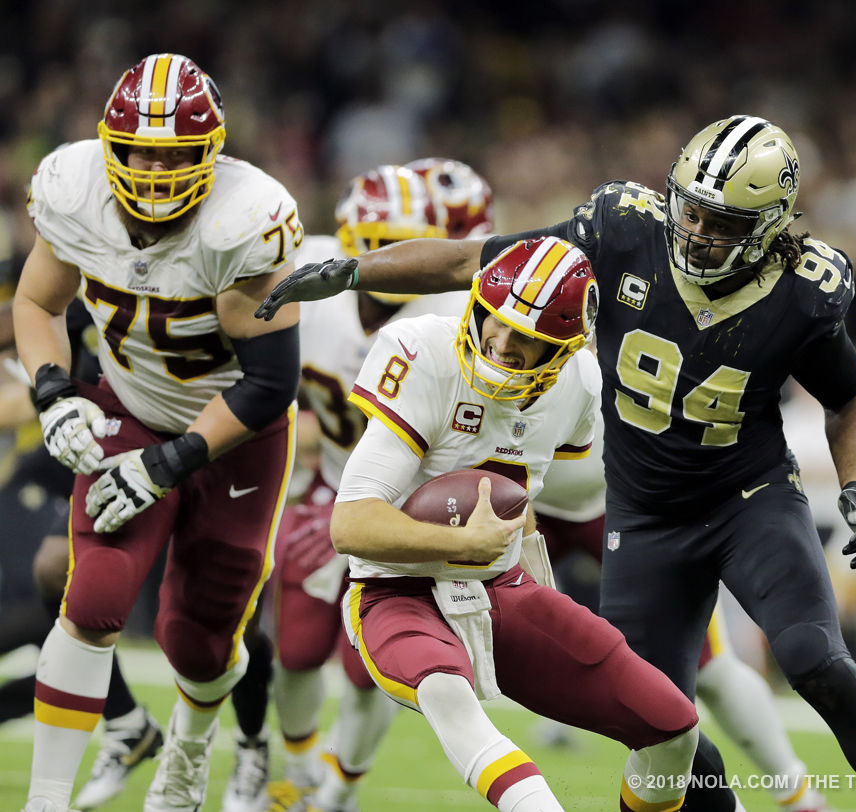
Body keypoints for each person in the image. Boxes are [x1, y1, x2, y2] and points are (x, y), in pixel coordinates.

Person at [256, 114, 856, 812]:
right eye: (694, 211)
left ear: (771, 225)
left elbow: (852, 399)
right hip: (642, 514)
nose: (700, 233)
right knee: (658, 722)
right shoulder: (623, 231)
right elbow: (475, 261)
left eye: (725, 224)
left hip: (748, 498)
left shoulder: (802, 289)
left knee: (813, 658)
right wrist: (351, 272)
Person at [14, 52, 303, 812]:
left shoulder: (245, 221)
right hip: (129, 406)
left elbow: (271, 382)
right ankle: (44, 802)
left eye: (172, 153)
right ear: (108, 146)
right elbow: (38, 305)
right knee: (93, 598)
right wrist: (53, 394)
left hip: (236, 434)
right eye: (137, 149)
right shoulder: (74, 191)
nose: (150, 169)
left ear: (210, 153)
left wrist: (168, 463)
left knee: (198, 640)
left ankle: (193, 741)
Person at [333, 235, 709, 811]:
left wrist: (529, 563)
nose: (500, 344)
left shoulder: (580, 382)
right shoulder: (422, 351)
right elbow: (352, 524)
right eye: (494, 322)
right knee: (449, 696)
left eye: (526, 340)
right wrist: (460, 540)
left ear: (561, 352)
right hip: (394, 591)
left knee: (673, 729)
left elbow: (515, 488)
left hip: (501, 587)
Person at [223, 158, 492, 812]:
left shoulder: (456, 311)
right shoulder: (303, 281)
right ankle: (299, 773)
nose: (385, 259)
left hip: (422, 498)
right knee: (299, 644)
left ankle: (339, 787)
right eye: (372, 244)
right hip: (337, 489)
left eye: (402, 243)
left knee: (372, 665)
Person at [533, 410, 833, 812]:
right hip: (524, 504)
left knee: (710, 668)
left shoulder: (594, 362)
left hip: (622, 500)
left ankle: (798, 795)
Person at [0, 299, 164, 810]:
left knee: (215, 638)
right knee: (57, 579)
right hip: (96, 448)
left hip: (178, 444)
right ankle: (126, 722)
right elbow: (35, 308)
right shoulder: (84, 275)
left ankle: (252, 743)